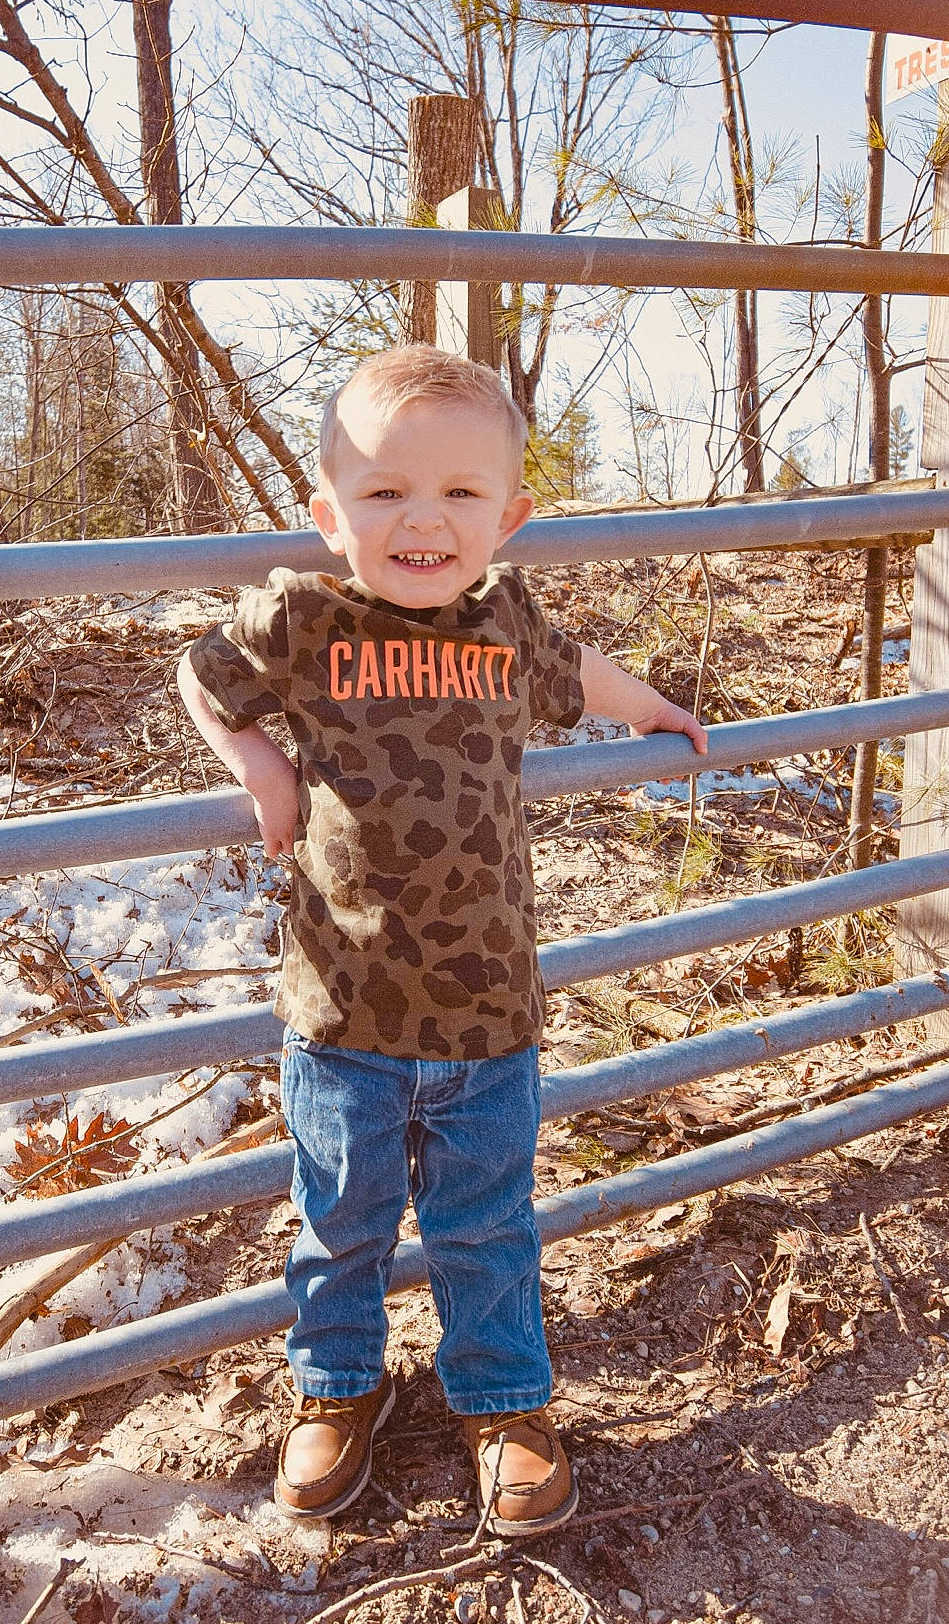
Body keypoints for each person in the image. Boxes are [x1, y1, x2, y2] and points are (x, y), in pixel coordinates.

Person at [177, 345, 707, 1538]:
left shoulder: (507, 622)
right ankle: (337, 1385)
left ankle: (504, 1399)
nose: (424, 520)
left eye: (462, 494)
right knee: (339, 1217)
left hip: (488, 1018)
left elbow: (584, 674)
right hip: (343, 1013)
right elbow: (198, 677)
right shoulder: (301, 620)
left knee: (488, 1221)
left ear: (509, 515)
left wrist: (660, 708)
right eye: (383, 493)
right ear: (329, 513)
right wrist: (259, 760)